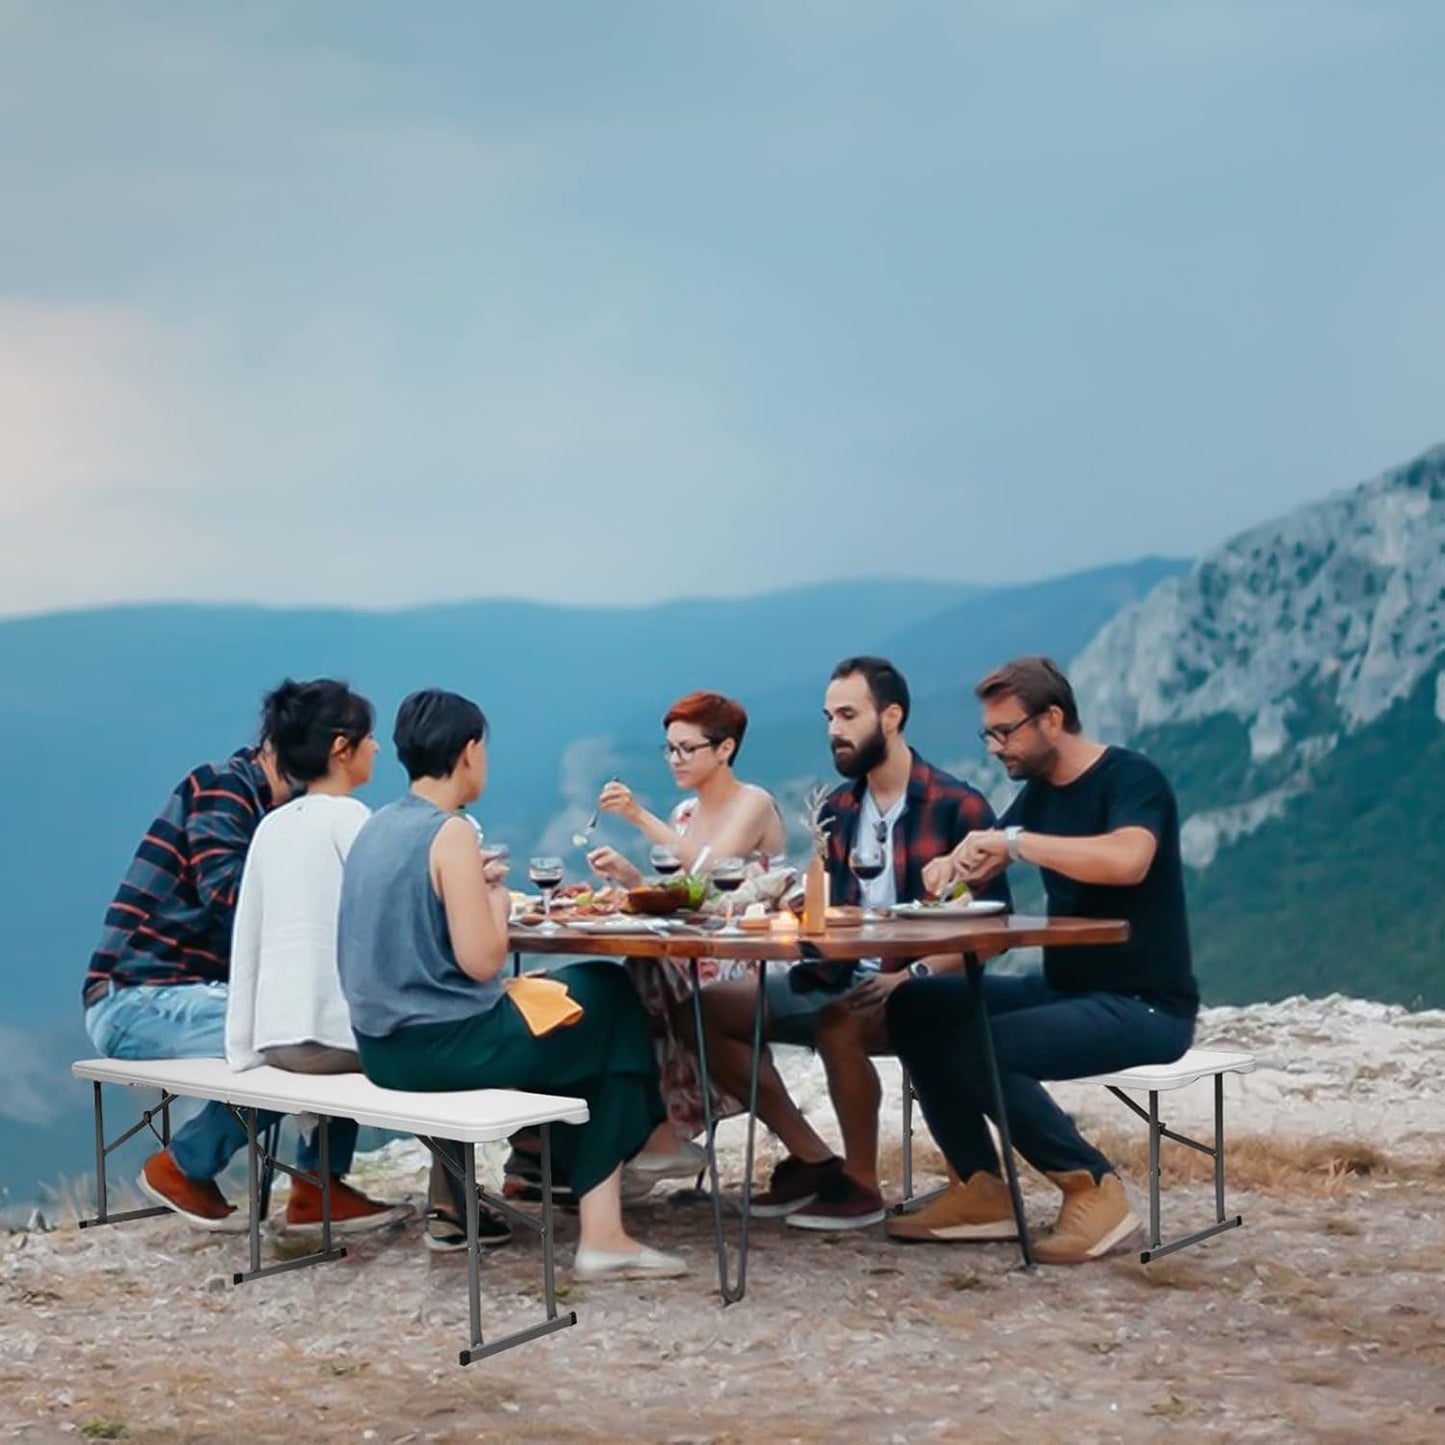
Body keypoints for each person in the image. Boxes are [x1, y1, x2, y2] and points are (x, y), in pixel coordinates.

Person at [338, 688, 687, 1281]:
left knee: (587, 1000)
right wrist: (494, 898)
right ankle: (607, 1224)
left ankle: (559, 1167)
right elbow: (482, 962)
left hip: (382, 1047)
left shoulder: (378, 826)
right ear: (470, 751)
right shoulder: (449, 833)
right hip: (443, 1047)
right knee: (614, 1000)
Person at [885, 656, 1197, 1262]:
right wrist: (956, 865)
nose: (997, 747)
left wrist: (1016, 844)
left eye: (1006, 731)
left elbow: (1128, 859)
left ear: (1052, 720)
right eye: (989, 734)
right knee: (915, 1004)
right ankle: (980, 1188)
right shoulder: (1037, 796)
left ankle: (1094, 1188)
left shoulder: (1132, 779)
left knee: (984, 1044)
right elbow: (990, 856)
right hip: (1068, 987)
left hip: (1145, 1004)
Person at [691, 657, 1009, 1227]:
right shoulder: (838, 810)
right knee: (705, 1008)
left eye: (847, 714)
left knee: (839, 1019)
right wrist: (792, 911)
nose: (834, 729)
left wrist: (911, 975)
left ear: (891, 717)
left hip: (913, 985)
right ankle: (814, 1158)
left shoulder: (957, 807)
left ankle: (861, 1185)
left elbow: (993, 932)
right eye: (827, 716)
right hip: (832, 972)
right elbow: (825, 910)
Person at [82, 682, 383, 1232]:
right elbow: (233, 899)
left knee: (326, 1020)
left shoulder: (290, 810)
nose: (377, 749)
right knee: (299, 1028)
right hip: (137, 1000)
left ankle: (318, 1189)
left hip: (194, 993)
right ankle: (185, 1166)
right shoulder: (224, 788)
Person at [223, 679, 409, 1234]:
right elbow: (393, 919)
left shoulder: (272, 825)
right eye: (368, 738)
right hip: (327, 1039)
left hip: (273, 1034)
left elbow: (248, 935)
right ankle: (459, 1209)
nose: (376, 748)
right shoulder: (352, 821)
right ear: (339, 747)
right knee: (438, 1039)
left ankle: (316, 1191)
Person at [584, 691, 786, 1158]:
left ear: (725, 749)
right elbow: (685, 900)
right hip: (694, 953)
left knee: (651, 978)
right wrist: (632, 879)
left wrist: (638, 817)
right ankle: (654, 1126)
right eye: (669, 749)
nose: (674, 759)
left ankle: (665, 1129)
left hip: (745, 957)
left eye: (685, 749)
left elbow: (716, 874)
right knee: (634, 977)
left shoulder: (752, 803)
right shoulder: (685, 816)